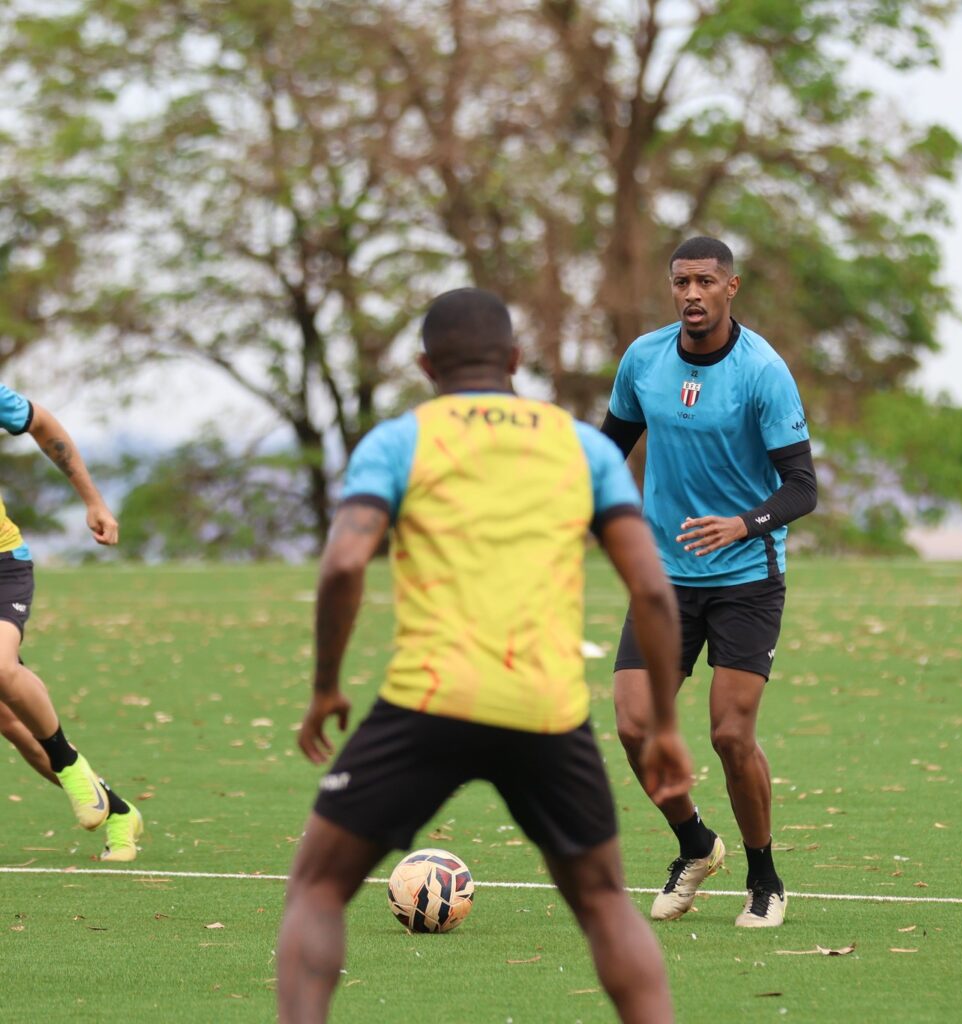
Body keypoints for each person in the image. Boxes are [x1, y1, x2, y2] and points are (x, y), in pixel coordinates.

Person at [276, 288, 693, 1024]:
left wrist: (325, 687)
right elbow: (654, 594)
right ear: (515, 360)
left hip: (426, 704)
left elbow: (343, 566)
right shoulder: (582, 446)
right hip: (546, 711)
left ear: (425, 364)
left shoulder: (398, 440)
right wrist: (662, 724)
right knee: (603, 903)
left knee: (317, 887)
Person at [601, 236, 817, 929]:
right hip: (663, 576)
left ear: (732, 288)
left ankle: (764, 875)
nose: (692, 294)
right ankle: (696, 844)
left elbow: (802, 488)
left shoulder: (763, 372)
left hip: (748, 576)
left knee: (729, 734)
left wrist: (743, 524)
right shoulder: (644, 360)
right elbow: (607, 453)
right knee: (634, 725)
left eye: (705, 282)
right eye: (681, 282)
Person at [0, 383, 143, 862]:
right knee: (8, 718)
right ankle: (118, 809)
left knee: (0, 669)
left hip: (2, 562)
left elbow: (43, 425)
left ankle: (69, 762)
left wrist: (94, 501)